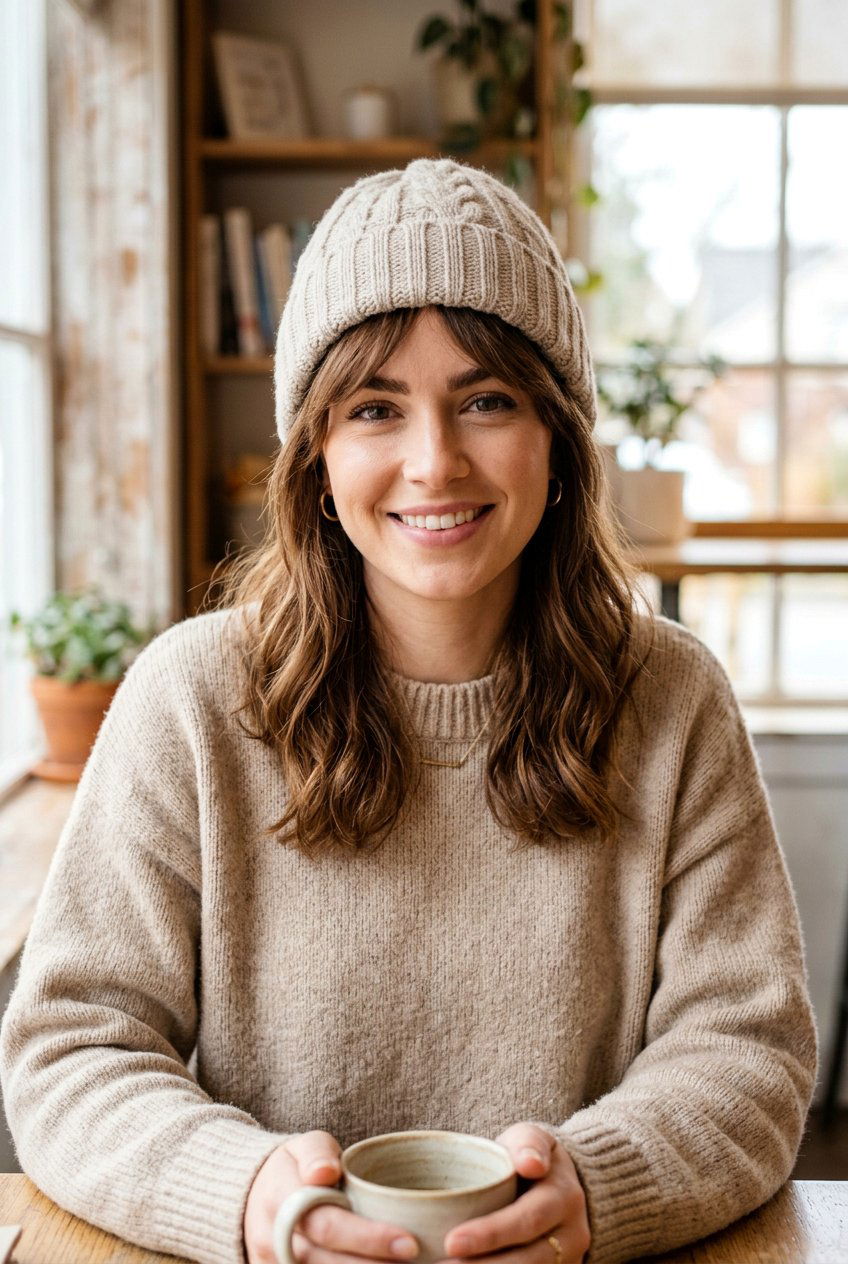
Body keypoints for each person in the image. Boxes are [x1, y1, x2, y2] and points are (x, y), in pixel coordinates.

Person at [0, 157, 817, 1264]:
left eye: (485, 399)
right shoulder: (189, 698)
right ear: (318, 459)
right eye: (375, 408)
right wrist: (242, 1192)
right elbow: (69, 1049)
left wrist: (594, 1188)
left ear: (557, 437)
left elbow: (747, 1051)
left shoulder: (671, 700)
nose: (434, 463)